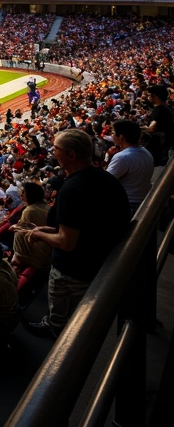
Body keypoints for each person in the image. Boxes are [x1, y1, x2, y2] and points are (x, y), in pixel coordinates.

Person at [24, 129, 131, 338]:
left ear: (71, 155)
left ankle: (55, 333)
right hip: (99, 261)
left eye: (56, 149)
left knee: (64, 318)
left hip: (74, 271)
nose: (52, 152)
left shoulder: (72, 189)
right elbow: (89, 222)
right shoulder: (105, 178)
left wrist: (39, 235)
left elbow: (66, 242)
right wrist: (51, 229)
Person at [105, 119, 154, 211]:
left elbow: (105, 181)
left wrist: (108, 156)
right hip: (143, 202)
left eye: (113, 133)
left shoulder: (122, 157)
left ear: (121, 137)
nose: (112, 136)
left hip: (128, 205)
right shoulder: (146, 152)